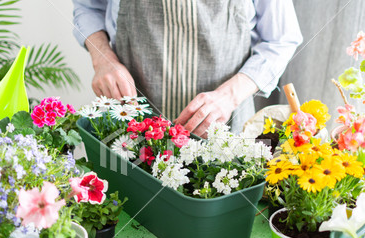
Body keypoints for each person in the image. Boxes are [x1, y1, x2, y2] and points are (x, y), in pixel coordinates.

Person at [72, 0, 302, 136]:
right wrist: (102, 58)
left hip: (226, 131)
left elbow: (281, 39)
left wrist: (229, 96)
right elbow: (89, 6)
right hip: (130, 125)